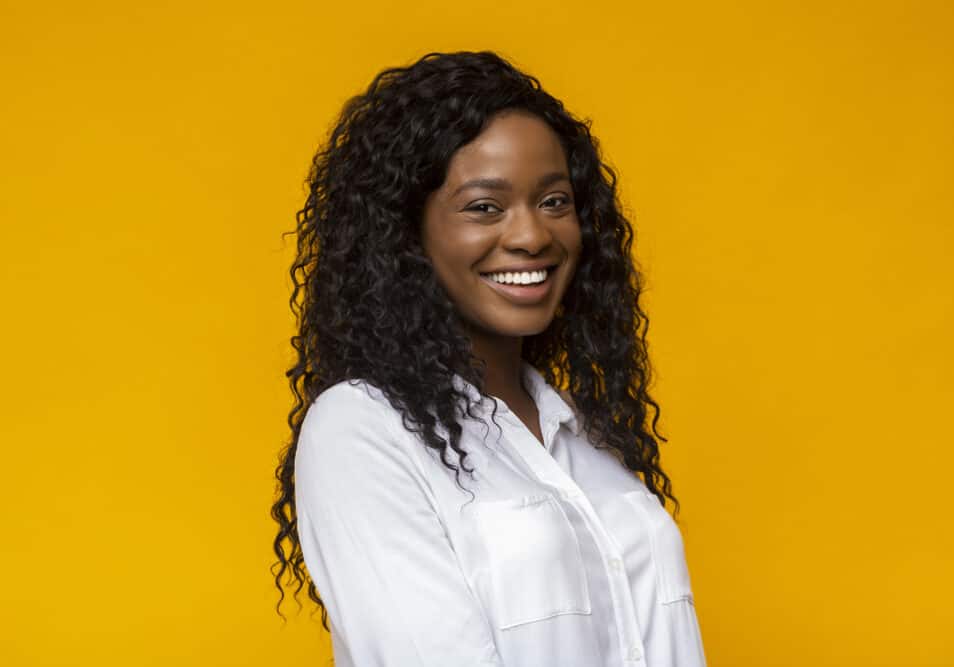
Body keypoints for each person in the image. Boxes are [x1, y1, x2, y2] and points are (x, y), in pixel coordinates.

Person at [271, 50, 708, 666]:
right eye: (484, 206)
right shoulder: (362, 431)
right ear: (407, 235)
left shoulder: (585, 436)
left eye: (554, 200)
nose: (531, 235)